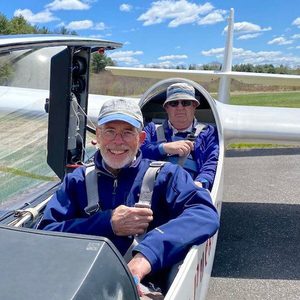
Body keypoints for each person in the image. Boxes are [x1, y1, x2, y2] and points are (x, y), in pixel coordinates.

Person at [38, 98, 219, 296]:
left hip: (142, 287)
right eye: (109, 131)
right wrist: (107, 223)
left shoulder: (167, 176)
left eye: (127, 132)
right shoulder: (77, 180)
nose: (117, 141)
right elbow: (46, 232)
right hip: (80, 282)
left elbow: (204, 213)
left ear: (141, 138)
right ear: (98, 135)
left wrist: (146, 256)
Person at [141, 82, 219, 191]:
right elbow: (137, 153)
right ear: (166, 107)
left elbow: (211, 163)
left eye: (185, 103)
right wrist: (164, 148)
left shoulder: (208, 133)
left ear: (194, 106)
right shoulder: (151, 129)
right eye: (173, 103)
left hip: (189, 190)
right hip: (152, 191)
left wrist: (201, 183)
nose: (180, 107)